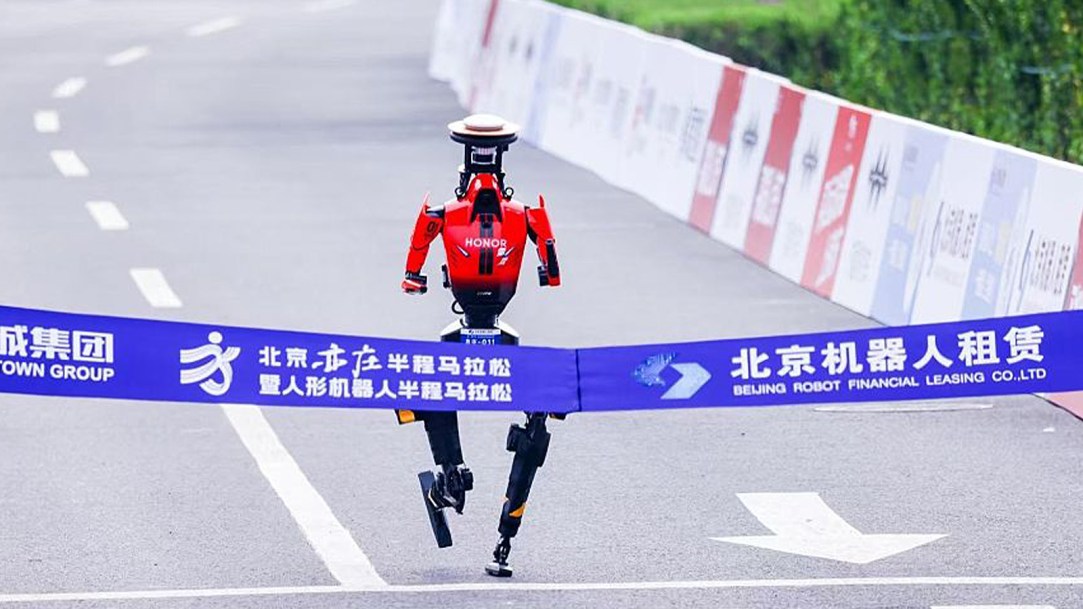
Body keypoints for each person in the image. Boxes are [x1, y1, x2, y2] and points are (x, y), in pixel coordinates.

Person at [396, 114, 562, 577]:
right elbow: (550, 267)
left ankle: (449, 476)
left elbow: (414, 266)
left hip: (462, 333)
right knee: (537, 417)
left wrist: (415, 279)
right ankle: (499, 535)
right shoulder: (526, 215)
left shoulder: (442, 214)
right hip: (503, 338)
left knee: (429, 390)